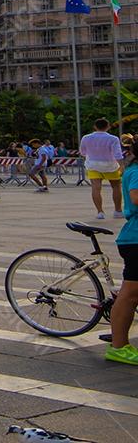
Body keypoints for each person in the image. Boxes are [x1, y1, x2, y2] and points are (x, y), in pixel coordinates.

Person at [106, 137, 138, 365]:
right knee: (131, 293)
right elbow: (136, 198)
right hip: (135, 239)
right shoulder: (136, 171)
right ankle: (118, 346)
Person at [80, 117, 125, 220]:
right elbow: (117, 153)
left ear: (95, 126)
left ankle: (100, 212)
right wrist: (122, 165)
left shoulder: (86, 138)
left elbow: (82, 152)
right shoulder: (113, 138)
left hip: (93, 165)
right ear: (108, 127)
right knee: (116, 187)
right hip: (110, 165)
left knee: (96, 188)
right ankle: (117, 211)